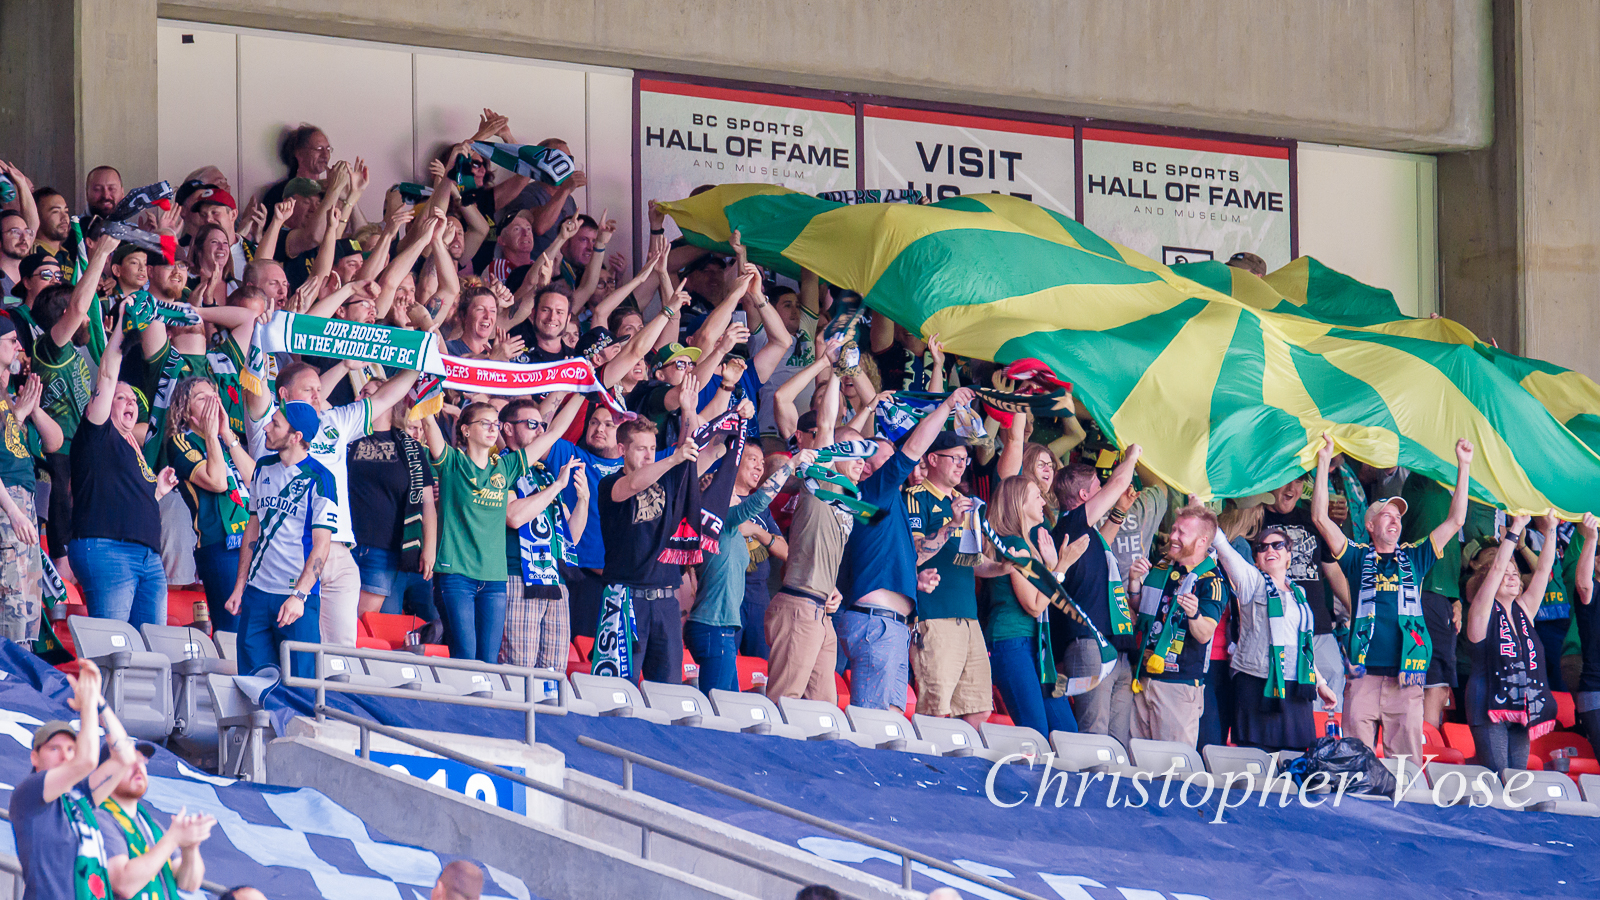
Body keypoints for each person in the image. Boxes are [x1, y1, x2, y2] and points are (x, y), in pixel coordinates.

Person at [1313, 433, 1474, 761]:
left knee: (1408, 767)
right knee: (1355, 763)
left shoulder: (1415, 556)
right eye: (1388, 514)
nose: (1396, 520)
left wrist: (1464, 466)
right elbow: (1320, 518)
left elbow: (1456, 520)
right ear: (1370, 525)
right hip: (1363, 675)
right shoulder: (1356, 556)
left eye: (1399, 516)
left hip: (1407, 675)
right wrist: (1323, 462)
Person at [244, 360, 420, 649]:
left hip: (339, 553)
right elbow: (254, 377)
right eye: (309, 390)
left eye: (318, 389)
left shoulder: (336, 420)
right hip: (293, 554)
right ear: (285, 395)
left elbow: (387, 396)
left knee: (340, 653)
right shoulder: (267, 425)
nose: (318, 394)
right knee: (297, 652)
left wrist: (419, 360)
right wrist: (261, 333)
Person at [836, 386, 975, 713]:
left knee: (892, 725)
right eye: (886, 454)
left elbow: (895, 556)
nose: (895, 456)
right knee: (872, 726)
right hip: (877, 625)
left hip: (892, 626)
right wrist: (947, 405)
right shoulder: (872, 491)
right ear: (867, 465)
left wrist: (914, 577)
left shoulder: (890, 500)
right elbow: (913, 448)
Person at [69, 303, 179, 627]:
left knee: (151, 651)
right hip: (108, 549)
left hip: (148, 556)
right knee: (115, 648)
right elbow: (107, 372)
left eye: (133, 399)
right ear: (100, 404)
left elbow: (124, 497)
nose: (130, 402)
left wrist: (156, 491)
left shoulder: (135, 449)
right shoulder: (98, 432)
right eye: (121, 398)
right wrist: (121, 328)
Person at [10, 658, 140, 900]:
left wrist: (100, 704)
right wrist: (87, 706)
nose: (65, 756)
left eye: (71, 749)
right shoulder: (30, 793)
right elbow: (86, 761)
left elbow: (125, 758)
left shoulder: (80, 796)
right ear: (34, 758)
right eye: (54, 749)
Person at [225, 402, 339, 678]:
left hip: (295, 598)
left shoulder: (322, 478)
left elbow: (322, 544)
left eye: (275, 424)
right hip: (256, 594)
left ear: (296, 436)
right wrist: (240, 585)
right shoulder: (263, 467)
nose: (266, 427)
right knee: (253, 685)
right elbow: (252, 529)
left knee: (300, 688)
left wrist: (299, 595)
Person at [687, 445, 809, 693]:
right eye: (729, 493)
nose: (736, 496)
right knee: (718, 707)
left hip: (714, 625)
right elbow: (762, 498)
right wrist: (791, 464)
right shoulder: (724, 522)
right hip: (715, 627)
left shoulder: (716, 524)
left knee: (730, 704)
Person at [906, 432, 1008, 728]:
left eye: (965, 459)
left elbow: (972, 561)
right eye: (955, 458)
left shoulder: (964, 502)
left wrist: (1003, 567)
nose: (962, 465)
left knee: (977, 708)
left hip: (969, 619)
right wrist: (951, 524)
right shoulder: (916, 497)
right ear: (933, 459)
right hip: (935, 617)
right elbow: (915, 555)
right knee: (935, 708)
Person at [596, 415, 706, 683]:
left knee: (668, 689)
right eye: (641, 448)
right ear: (622, 450)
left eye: (653, 448)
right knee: (618, 686)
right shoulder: (608, 483)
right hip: (624, 598)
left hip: (666, 601)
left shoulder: (667, 479)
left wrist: (690, 410)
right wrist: (671, 459)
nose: (649, 455)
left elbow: (708, 453)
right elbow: (633, 485)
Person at [1209, 525, 1338, 751]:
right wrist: (1205, 516)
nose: (1270, 550)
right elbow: (1224, 549)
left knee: (1295, 760)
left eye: (1278, 545)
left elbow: (1301, 647)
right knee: (1257, 760)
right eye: (1262, 547)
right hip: (1258, 684)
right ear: (1256, 558)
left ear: (1289, 555)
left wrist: (1321, 683)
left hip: (1296, 688)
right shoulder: (1251, 582)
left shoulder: (1300, 594)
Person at [422, 402, 531, 662]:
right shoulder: (453, 462)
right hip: (455, 575)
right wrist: (422, 381)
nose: (493, 429)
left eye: (496, 424)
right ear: (466, 430)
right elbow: (427, 421)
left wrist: (583, 387)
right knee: (466, 657)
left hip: (494, 579)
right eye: (485, 423)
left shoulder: (505, 466)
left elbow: (553, 433)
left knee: (489, 661)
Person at [1050, 451, 1143, 745]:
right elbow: (1117, 483)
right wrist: (1133, 455)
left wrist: (1119, 512)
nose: (1103, 492)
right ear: (1083, 494)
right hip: (1088, 646)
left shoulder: (1083, 531)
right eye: (1097, 488)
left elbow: (1103, 541)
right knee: (1094, 737)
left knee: (1117, 742)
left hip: (1114, 646)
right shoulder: (1069, 525)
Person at [984, 475, 1088, 737]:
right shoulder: (1014, 544)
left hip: (1035, 645)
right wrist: (1062, 566)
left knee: (1065, 729)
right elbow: (1034, 605)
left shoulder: (1027, 545)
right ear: (1019, 504)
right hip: (1012, 641)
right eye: (1037, 496)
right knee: (1036, 732)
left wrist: (1053, 566)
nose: (1044, 501)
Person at [1464, 514, 1559, 773]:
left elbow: (1543, 569)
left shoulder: (1524, 610)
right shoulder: (1482, 610)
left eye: (1515, 573)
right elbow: (1496, 568)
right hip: (1486, 705)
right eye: (1506, 573)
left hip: (1521, 705)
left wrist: (1551, 528)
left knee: (1516, 779)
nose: (1512, 577)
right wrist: (1515, 529)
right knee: (1498, 778)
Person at [1129, 504, 1228, 747]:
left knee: (1172, 770)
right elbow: (1140, 610)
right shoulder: (1162, 566)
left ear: (1202, 541)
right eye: (1173, 530)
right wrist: (1133, 581)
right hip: (1142, 679)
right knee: (1136, 765)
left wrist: (1194, 614)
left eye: (1182, 533)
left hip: (1179, 686)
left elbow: (1205, 634)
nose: (1173, 537)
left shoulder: (1211, 581)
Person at [500, 398, 588, 669]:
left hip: (556, 580)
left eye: (542, 425)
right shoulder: (500, 466)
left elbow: (569, 537)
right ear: (507, 429)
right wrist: (557, 487)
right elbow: (513, 516)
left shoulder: (544, 474)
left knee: (554, 675)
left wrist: (583, 499)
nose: (540, 431)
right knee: (519, 671)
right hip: (518, 578)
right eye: (531, 424)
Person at [163, 376, 255, 632]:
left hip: (252, 541)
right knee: (234, 629)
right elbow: (217, 482)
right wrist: (213, 436)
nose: (212, 401)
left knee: (258, 627)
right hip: (220, 545)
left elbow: (258, 481)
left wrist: (226, 434)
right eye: (201, 398)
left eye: (213, 395)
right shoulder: (182, 441)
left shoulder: (227, 441)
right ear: (186, 412)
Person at [1260, 474, 1349, 711]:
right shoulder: (1254, 518)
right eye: (1286, 478)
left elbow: (1333, 571)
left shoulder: (1312, 520)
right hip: (1276, 631)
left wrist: (1357, 611)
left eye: (1299, 481)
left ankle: (1329, 749)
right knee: (1293, 704)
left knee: (1333, 697)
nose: (1292, 487)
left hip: (1319, 628)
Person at [348, 383, 437, 618]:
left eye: (365, 393)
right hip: (341, 544)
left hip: (384, 548)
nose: (358, 397)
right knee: (335, 617)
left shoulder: (411, 448)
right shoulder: (343, 437)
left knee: (363, 622)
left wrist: (428, 548)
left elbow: (427, 502)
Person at [94, 741, 217, 899]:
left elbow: (189, 884)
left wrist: (190, 847)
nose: (138, 768)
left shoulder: (151, 826)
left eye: (141, 761)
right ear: (106, 772)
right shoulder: (99, 818)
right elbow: (123, 884)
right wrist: (173, 838)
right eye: (128, 762)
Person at [0, 325, 59, 641]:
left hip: (24, 503)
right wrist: (12, 511)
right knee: (10, 607)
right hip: (8, 502)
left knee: (27, 613)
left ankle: (19, 679)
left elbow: (55, 441)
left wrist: (21, 413)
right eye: (10, 340)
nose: (18, 345)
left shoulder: (5, 395)